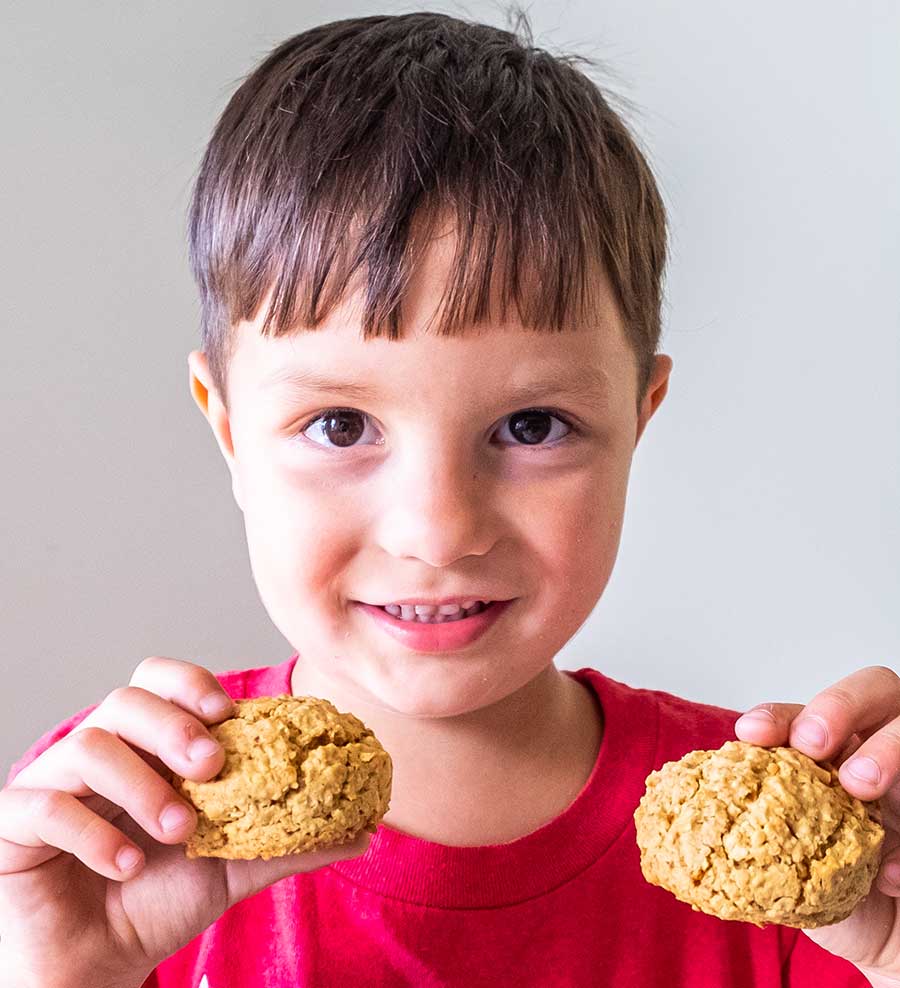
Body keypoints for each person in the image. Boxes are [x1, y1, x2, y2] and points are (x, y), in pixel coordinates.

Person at [1, 10, 896, 988]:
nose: (437, 531)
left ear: (640, 418)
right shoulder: (109, 836)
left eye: (532, 425)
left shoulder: (821, 892)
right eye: (341, 425)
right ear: (227, 428)